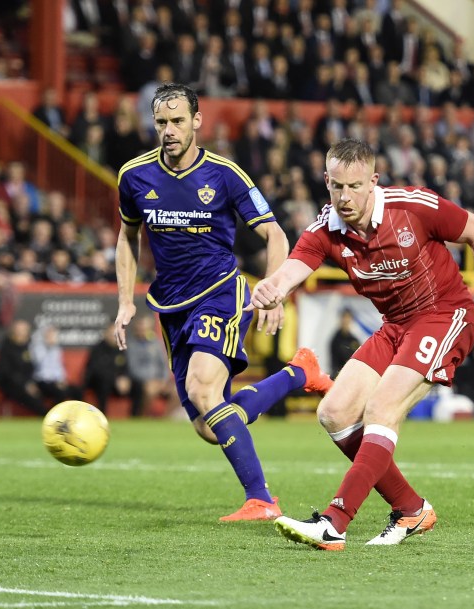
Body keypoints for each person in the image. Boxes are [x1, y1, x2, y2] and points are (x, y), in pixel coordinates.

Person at [247, 138, 474, 550]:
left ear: (373, 181)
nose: (345, 196)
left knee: (380, 409)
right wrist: (272, 288)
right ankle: (411, 508)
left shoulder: (412, 206)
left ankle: (334, 522)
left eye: (355, 186)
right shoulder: (325, 229)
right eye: (337, 186)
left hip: (445, 314)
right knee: (335, 412)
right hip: (395, 326)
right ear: (326, 181)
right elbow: (290, 272)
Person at [114, 82, 333, 522]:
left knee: (201, 388)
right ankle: (297, 374)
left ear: (197, 121)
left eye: (177, 121)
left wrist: (273, 292)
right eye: (161, 122)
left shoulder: (226, 174)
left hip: (219, 293)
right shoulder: (133, 176)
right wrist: (125, 302)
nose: (169, 130)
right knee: (208, 425)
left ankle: (262, 499)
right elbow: (127, 235)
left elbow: (275, 233)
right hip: (170, 306)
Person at [84, 323, 142, 415]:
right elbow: (96, 370)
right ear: (105, 334)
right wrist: (115, 379)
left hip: (117, 384)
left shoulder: (120, 349)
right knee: (104, 382)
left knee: (138, 385)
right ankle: (102, 415)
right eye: (112, 334)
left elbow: (125, 368)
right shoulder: (97, 349)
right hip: (98, 383)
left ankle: (135, 417)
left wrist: (125, 378)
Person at [0, 319, 49, 416]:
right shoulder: (6, 347)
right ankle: (46, 415)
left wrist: (31, 382)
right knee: (32, 396)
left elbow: (32, 367)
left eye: (24, 330)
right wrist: (25, 384)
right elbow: (6, 372)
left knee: (50, 389)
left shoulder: (29, 347)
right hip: (10, 383)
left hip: (29, 381)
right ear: (13, 332)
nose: (21, 333)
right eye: (19, 330)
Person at [329, 308, 362, 376]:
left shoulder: (354, 340)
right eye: (344, 317)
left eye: (348, 317)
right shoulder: (335, 339)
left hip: (352, 375)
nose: (346, 320)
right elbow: (335, 363)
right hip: (338, 375)